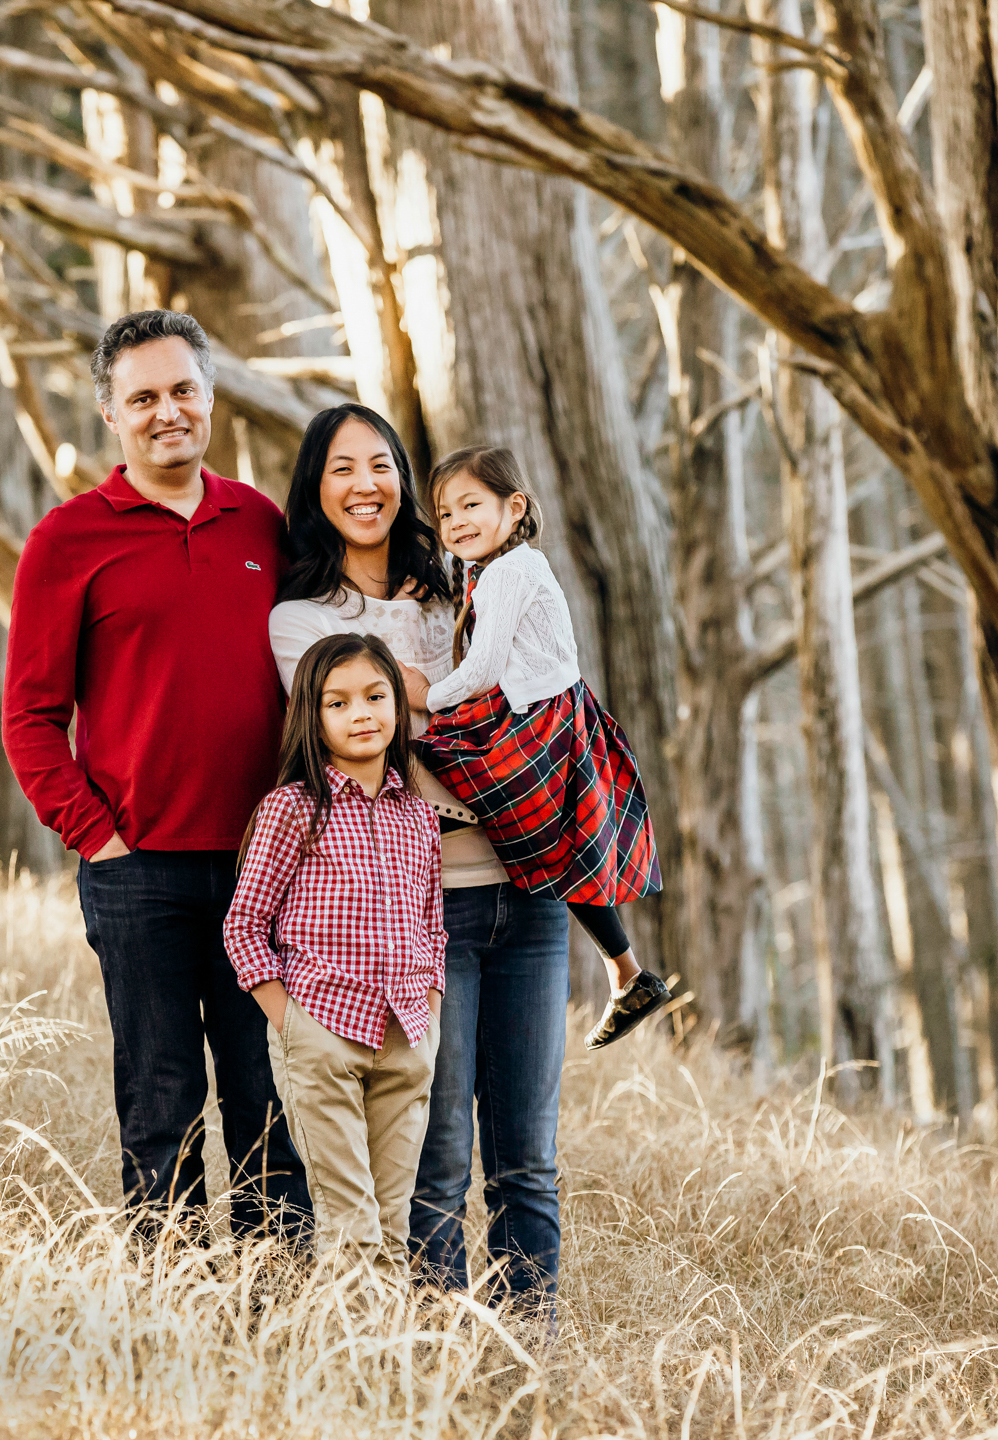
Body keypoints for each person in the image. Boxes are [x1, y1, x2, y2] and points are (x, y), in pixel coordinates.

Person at [2, 309, 310, 1246]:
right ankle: (170, 1311)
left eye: (183, 391)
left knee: (266, 1101)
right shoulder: (68, 541)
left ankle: (281, 1310)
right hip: (139, 874)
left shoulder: (260, 522)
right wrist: (98, 836)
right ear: (110, 414)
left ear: (209, 397)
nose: (167, 412)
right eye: (144, 398)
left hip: (268, 870)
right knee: (163, 1097)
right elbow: (30, 717)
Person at [265, 403, 567, 1315]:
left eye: (383, 465)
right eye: (343, 469)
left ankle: (525, 1363)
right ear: (316, 492)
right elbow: (383, 738)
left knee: (530, 1158)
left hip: (530, 884)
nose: (367, 485)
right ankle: (434, 1359)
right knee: (438, 1157)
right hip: (428, 906)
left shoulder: (467, 589)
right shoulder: (298, 620)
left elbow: (538, 695)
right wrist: (461, 695)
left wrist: (461, 696)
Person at [412, 445, 672, 1051]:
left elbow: (482, 666)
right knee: (563, 845)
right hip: (546, 709)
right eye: (446, 515)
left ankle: (619, 969)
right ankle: (626, 972)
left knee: (449, 763)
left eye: (471, 505)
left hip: (538, 717)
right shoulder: (491, 570)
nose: (457, 524)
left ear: (515, 506)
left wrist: (428, 695)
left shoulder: (511, 571)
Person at [225, 633, 445, 1274]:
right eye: (338, 703)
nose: (362, 714)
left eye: (376, 697)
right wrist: (296, 1027)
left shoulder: (419, 817)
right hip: (323, 1033)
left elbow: (432, 926)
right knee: (351, 1229)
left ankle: (386, 1370)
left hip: (406, 1036)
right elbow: (244, 927)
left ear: (397, 707)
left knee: (394, 1229)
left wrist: (429, 1011)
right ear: (313, 718)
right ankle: (341, 1371)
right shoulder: (293, 809)